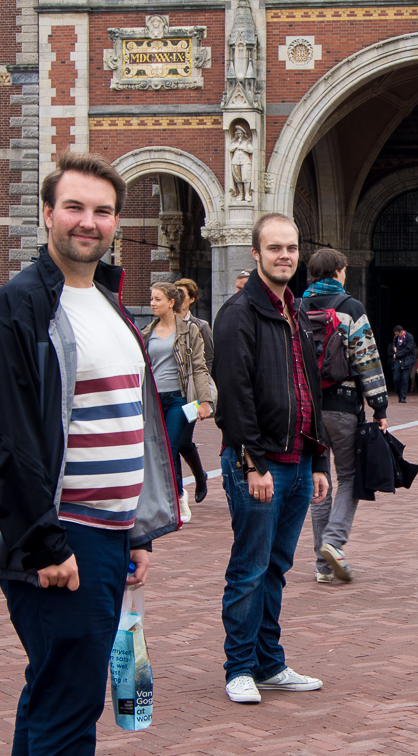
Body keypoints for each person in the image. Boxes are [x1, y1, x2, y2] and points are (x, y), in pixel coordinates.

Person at [0, 150, 180, 756]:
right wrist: (44, 543)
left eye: (101, 211)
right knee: (68, 702)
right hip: (61, 535)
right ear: (47, 214)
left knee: (52, 694)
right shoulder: (20, 306)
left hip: (106, 532)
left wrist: (137, 532)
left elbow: (129, 421)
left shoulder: (110, 304)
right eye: (74, 207)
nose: (88, 222)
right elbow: (6, 439)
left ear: (115, 222)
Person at [210, 212, 330, 704]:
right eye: (275, 248)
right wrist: (252, 463)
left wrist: (319, 461)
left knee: (276, 566)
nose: (285, 256)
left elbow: (310, 391)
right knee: (250, 568)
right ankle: (239, 667)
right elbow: (234, 395)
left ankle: (269, 663)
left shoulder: (295, 310)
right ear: (256, 253)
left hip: (298, 462)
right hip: (259, 465)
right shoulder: (239, 313)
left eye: (291, 248)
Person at [300, 247, 389, 584]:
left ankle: (323, 567)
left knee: (318, 482)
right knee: (349, 476)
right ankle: (333, 542)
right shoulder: (351, 308)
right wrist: (379, 406)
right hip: (342, 407)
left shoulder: (298, 307)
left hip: (307, 411)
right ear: (338, 271)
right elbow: (368, 359)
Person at [140, 281, 215, 525]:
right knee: (159, 449)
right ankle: (173, 495)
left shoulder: (190, 330)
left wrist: (205, 401)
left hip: (179, 399)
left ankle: (178, 498)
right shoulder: (146, 332)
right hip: (154, 400)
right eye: (151, 299)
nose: (152, 303)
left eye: (157, 299)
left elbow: (200, 367)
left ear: (171, 302)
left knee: (170, 448)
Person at [175, 277, 214, 504]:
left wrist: (203, 394)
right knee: (174, 442)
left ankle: (198, 477)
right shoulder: (163, 323)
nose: (177, 296)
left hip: (191, 394)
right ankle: (179, 490)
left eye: (182, 293)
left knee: (182, 440)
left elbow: (208, 359)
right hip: (168, 392)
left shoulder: (200, 326)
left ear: (192, 299)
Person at [389, 324, 416, 403]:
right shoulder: (396, 338)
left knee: (405, 379)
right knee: (396, 378)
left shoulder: (409, 337)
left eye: (397, 334)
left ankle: (403, 397)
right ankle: (398, 393)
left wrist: (397, 354)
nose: (396, 335)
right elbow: (394, 345)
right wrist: (394, 348)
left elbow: (408, 349)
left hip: (407, 360)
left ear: (402, 332)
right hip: (398, 360)